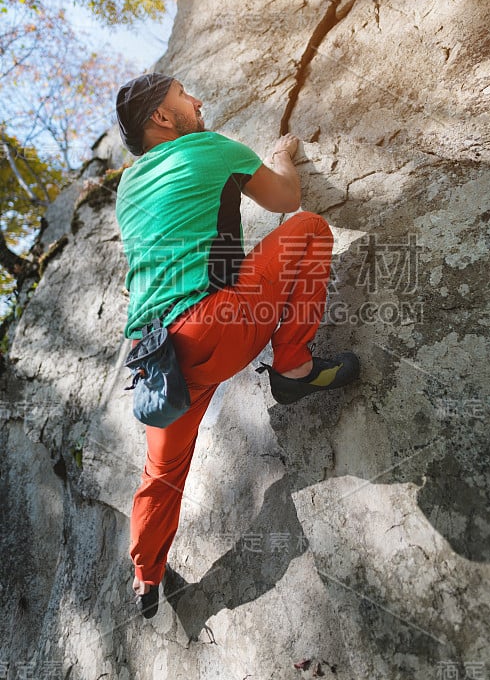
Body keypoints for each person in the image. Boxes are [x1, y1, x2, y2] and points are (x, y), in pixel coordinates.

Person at [115, 72, 360, 618]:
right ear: (161, 117)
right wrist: (281, 153)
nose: (198, 101)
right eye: (185, 96)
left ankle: (145, 576)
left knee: (161, 472)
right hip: (212, 328)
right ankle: (293, 368)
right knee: (311, 228)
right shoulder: (207, 146)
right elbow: (284, 197)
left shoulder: (127, 187)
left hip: (155, 361)